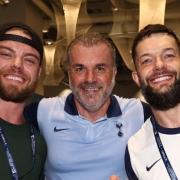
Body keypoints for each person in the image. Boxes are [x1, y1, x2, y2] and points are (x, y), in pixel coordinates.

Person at [25, 32, 151, 180]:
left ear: (114, 73)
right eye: (80, 69)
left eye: (100, 68)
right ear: (69, 74)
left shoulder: (139, 112)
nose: (90, 79)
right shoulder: (42, 112)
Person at [125, 24, 180, 180]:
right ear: (136, 78)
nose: (159, 65)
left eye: (168, 55)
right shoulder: (135, 149)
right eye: (147, 60)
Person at [0, 22, 47, 179]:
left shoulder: (43, 135)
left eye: (29, 60)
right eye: (6, 54)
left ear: (39, 72)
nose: (17, 65)